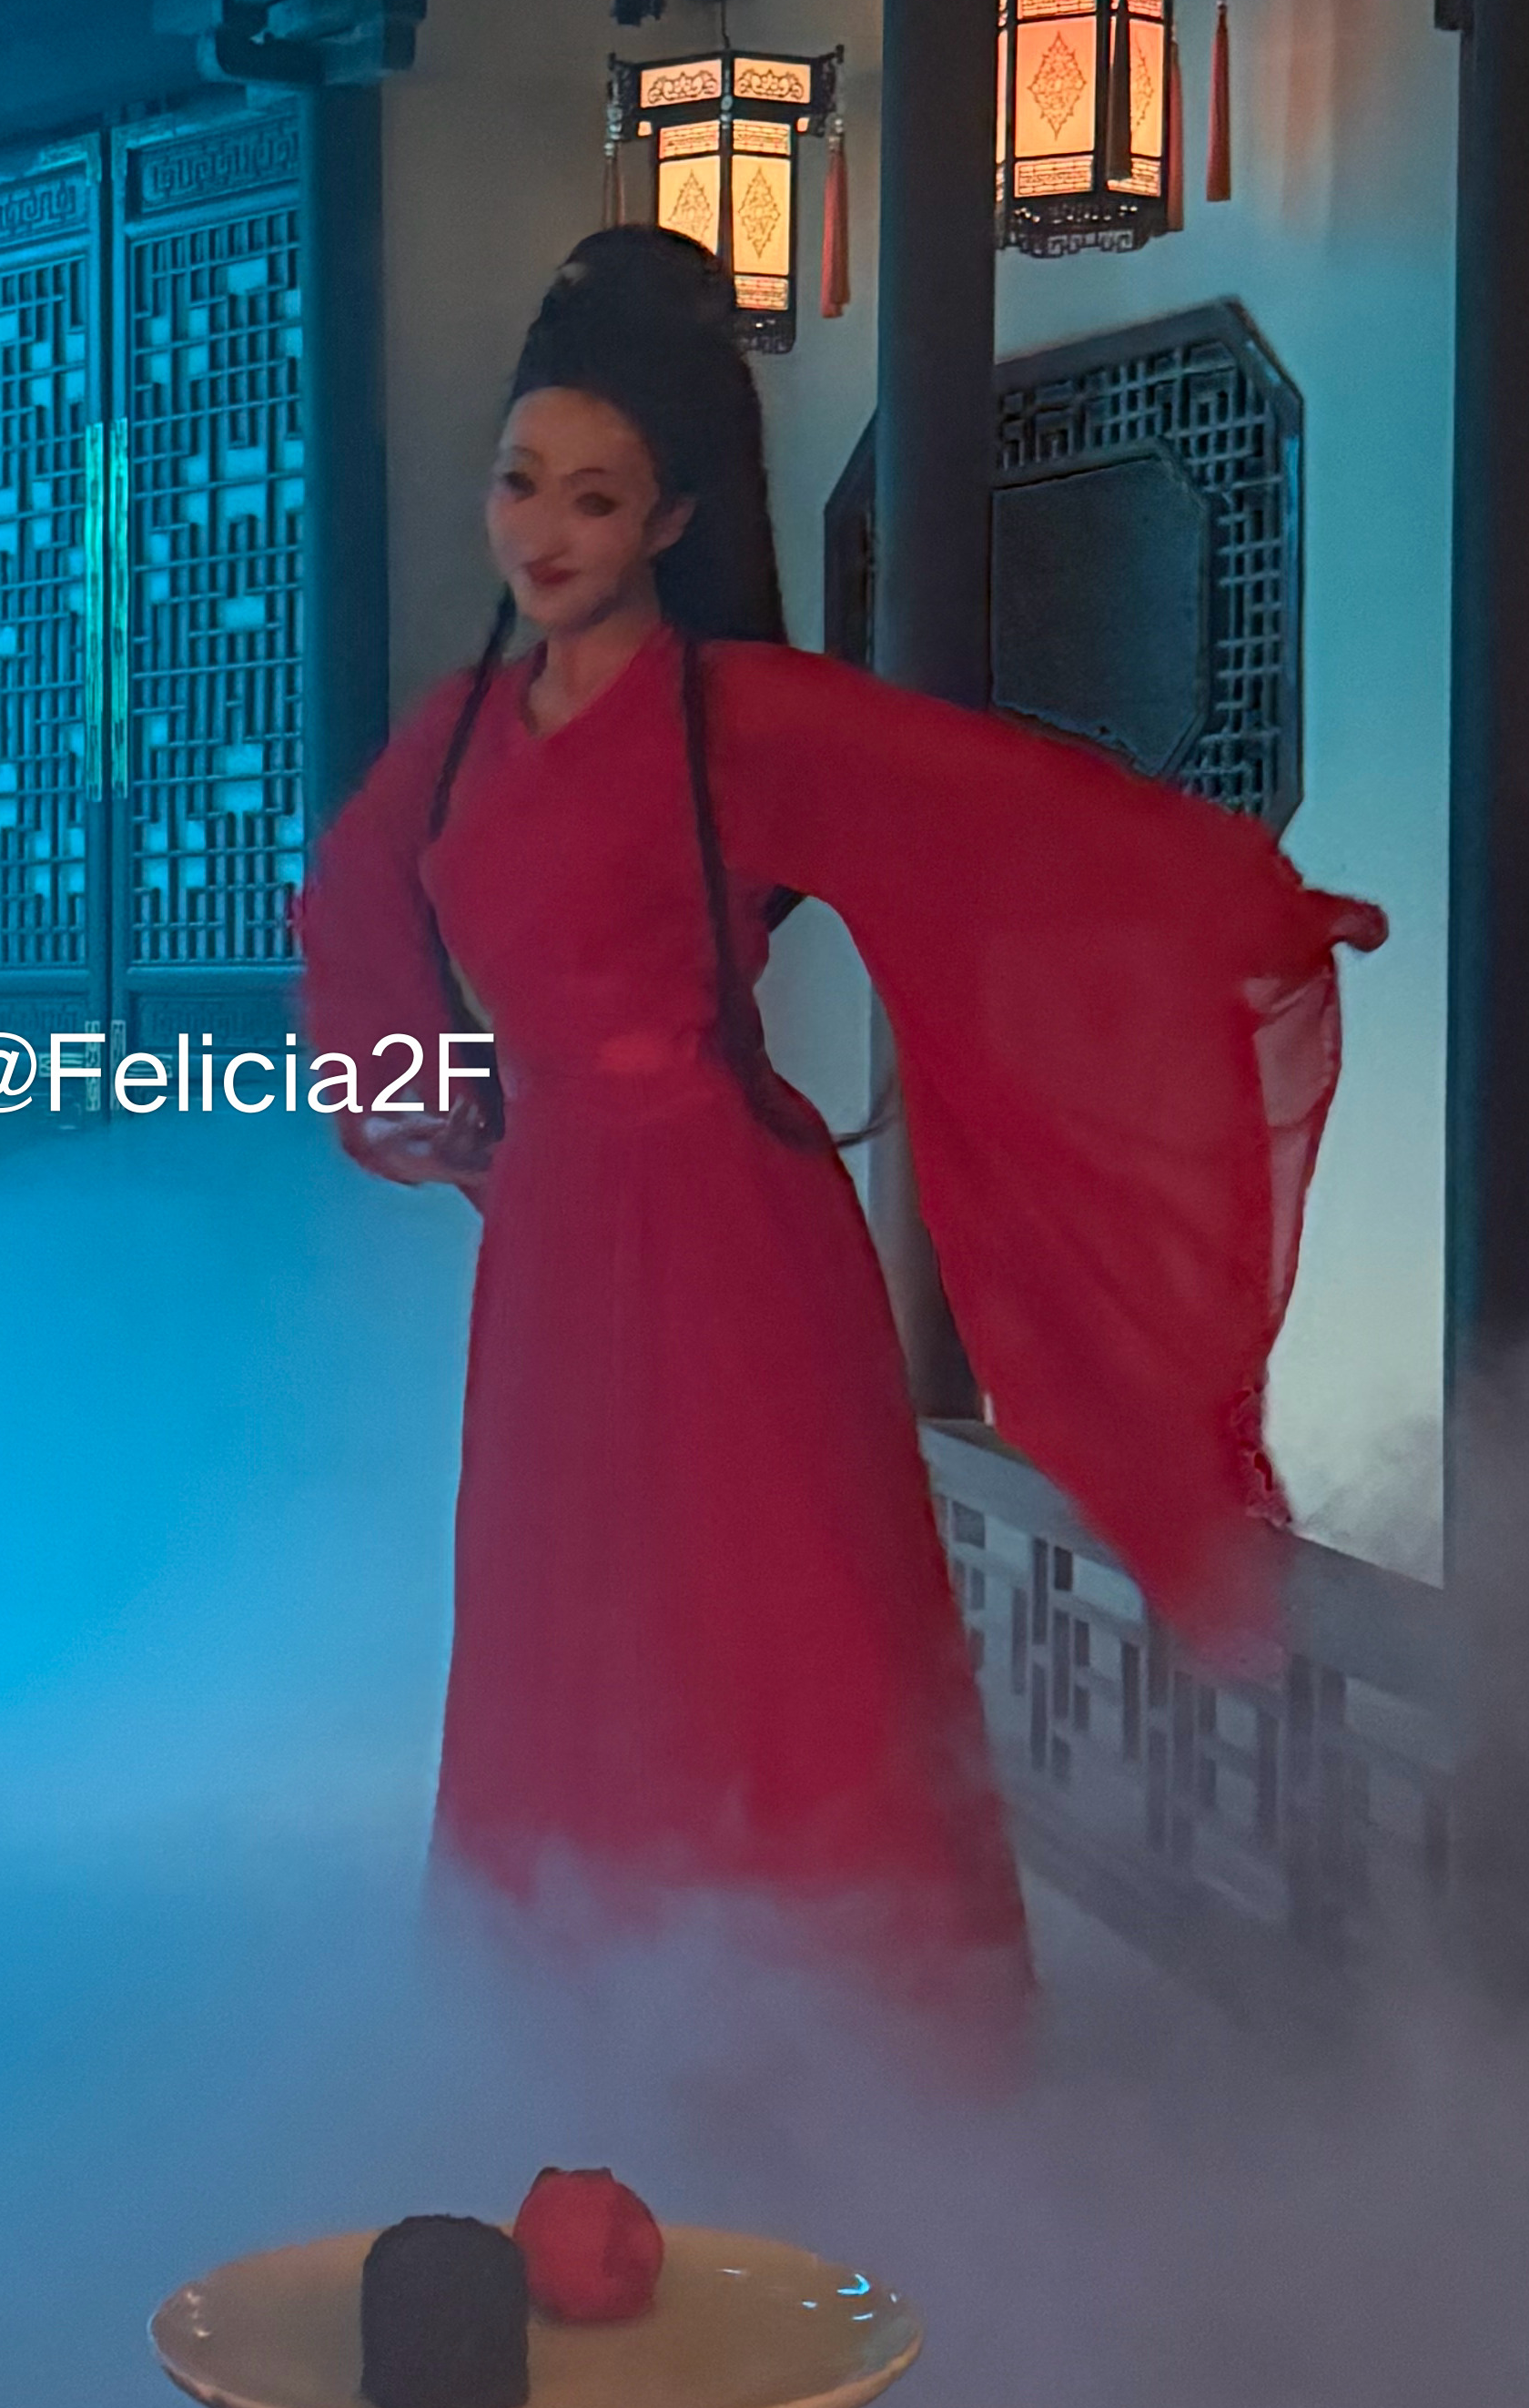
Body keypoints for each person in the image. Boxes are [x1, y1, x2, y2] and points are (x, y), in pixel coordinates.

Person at [292, 224, 1382, 2005]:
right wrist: (431, 1096)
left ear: (672, 519)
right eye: (519, 481)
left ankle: (859, 2041)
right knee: (566, 1622)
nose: (543, 530)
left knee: (776, 1622)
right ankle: (580, 2027)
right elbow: (349, 909)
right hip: (557, 1239)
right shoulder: (461, 731)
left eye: (594, 496)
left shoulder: (743, 714)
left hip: (728, 1228)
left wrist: (1247, 911)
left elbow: (1006, 825)